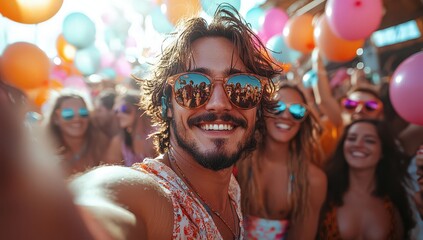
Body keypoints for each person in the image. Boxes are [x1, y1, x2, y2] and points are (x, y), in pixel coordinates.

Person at [70, 5, 280, 239]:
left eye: (242, 87)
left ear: (257, 109)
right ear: (167, 105)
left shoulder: (231, 189)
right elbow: (96, 203)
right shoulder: (155, 198)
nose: (219, 103)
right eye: (192, 86)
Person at [237, 82, 326, 239]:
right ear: (263, 111)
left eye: (297, 110)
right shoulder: (237, 162)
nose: (286, 115)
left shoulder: (313, 180)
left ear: (304, 119)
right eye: (277, 106)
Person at [318, 119, 415, 239]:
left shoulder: (395, 200)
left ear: (383, 152)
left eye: (369, 141)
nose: (358, 144)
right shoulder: (323, 192)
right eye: (352, 138)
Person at [43, 91, 109, 176]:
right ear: (56, 118)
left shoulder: (102, 145)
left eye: (83, 112)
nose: (77, 118)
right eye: (68, 113)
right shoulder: (44, 153)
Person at [105, 91, 157, 166]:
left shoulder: (157, 134)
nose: (119, 114)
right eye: (116, 111)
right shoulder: (120, 141)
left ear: (139, 108)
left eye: (124, 109)